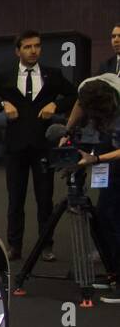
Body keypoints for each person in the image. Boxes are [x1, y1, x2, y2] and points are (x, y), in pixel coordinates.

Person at [0, 30, 78, 261]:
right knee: (15, 199)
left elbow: (74, 95)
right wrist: (3, 104)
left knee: (45, 199)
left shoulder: (53, 75)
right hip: (16, 147)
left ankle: (46, 245)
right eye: (28, 47)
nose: (33, 51)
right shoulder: (6, 77)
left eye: (37, 46)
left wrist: (56, 105)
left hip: (43, 145)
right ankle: (14, 246)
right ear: (18, 51)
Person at [60, 72, 120, 302]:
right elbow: (79, 103)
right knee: (105, 214)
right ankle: (113, 271)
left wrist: (96, 160)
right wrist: (67, 131)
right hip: (110, 148)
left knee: (115, 219)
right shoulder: (87, 86)